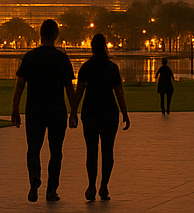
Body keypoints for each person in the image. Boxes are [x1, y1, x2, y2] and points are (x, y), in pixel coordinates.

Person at [11, 18, 78, 203]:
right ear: (56, 35)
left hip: (34, 110)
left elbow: (19, 86)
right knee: (56, 151)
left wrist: (15, 109)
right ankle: (51, 190)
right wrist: (73, 112)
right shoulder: (62, 58)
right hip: (57, 110)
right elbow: (69, 88)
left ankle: (34, 181)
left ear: (40, 34)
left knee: (33, 148)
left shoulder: (30, 57)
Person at [73, 33, 130, 201]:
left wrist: (74, 112)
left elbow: (79, 91)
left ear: (92, 47)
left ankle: (92, 185)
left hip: (90, 111)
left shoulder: (86, 67)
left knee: (91, 151)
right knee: (108, 151)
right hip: (109, 112)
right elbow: (119, 91)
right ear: (105, 46)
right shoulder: (112, 68)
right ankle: (104, 186)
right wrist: (125, 113)